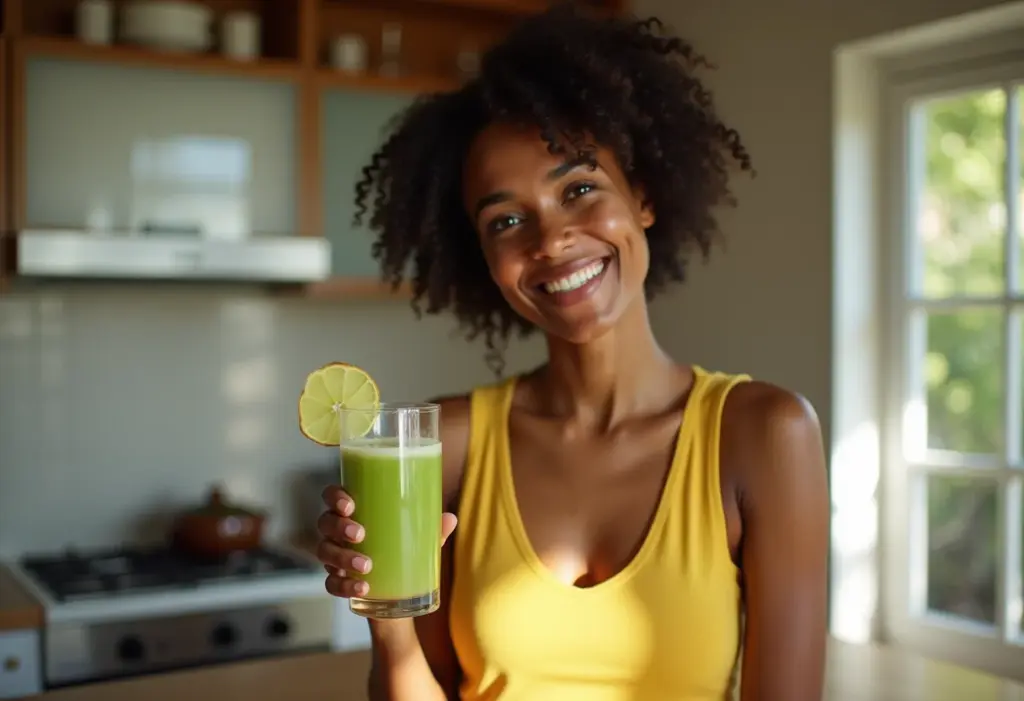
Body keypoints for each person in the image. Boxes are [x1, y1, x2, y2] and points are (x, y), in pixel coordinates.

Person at [315, 3, 829, 700]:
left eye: (579, 189)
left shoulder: (764, 434)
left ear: (641, 196)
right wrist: (387, 617)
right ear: (484, 257)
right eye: (507, 220)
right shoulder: (444, 445)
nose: (550, 240)